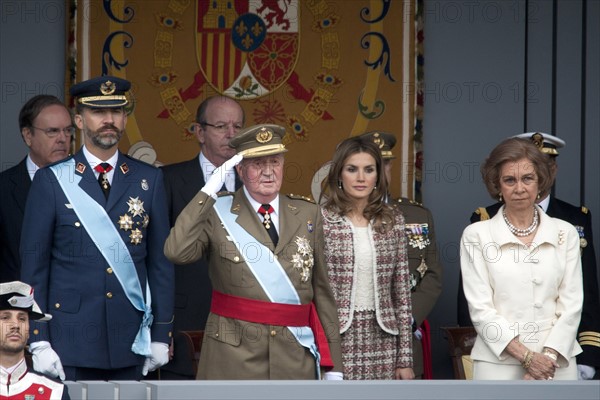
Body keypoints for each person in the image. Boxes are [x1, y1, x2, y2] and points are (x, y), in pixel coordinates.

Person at [19, 76, 174, 381]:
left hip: (131, 338)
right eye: (98, 113)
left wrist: (161, 333)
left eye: (116, 113)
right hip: (69, 339)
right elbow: (34, 266)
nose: (109, 120)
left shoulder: (149, 179)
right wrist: (38, 338)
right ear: (79, 119)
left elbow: (160, 263)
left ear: (125, 118)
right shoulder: (51, 181)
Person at [164, 124, 344, 379]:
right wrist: (207, 192)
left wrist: (333, 366)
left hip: (294, 357)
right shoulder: (217, 212)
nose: (269, 172)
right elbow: (176, 251)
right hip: (233, 358)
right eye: (258, 164)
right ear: (240, 169)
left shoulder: (307, 214)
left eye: (275, 162)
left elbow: (323, 294)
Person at [458, 132, 600, 380]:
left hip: (558, 364)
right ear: (497, 185)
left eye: (527, 178)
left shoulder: (565, 232)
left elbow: (571, 304)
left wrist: (547, 359)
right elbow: (481, 310)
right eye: (509, 180)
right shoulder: (476, 235)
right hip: (498, 364)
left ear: (540, 182)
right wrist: (527, 358)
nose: (520, 188)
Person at [160, 95, 244, 379]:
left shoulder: (256, 182)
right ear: (199, 131)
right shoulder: (168, 180)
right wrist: (160, 328)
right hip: (184, 322)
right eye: (221, 126)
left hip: (245, 327)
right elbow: (156, 259)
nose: (231, 134)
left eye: (238, 126)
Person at [319, 135, 414, 380]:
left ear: (378, 175)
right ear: (339, 174)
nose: (361, 178)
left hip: (384, 339)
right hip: (336, 338)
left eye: (368, 170)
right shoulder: (321, 220)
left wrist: (405, 358)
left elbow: (401, 293)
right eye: (352, 169)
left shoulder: (393, 220)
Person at [361, 131, 442, 379]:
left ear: (390, 166)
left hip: (403, 343)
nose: (377, 171)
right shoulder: (333, 218)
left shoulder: (417, 216)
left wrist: (406, 321)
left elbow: (432, 276)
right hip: (355, 340)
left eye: (382, 164)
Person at [0, 95, 73, 283]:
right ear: (28, 135)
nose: (63, 139)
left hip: (79, 307)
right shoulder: (4, 188)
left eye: (67, 130)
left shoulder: (89, 184)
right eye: (52, 131)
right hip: (20, 306)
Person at [0, 281, 69, 399]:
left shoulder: (54, 392)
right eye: (5, 317)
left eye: (22, 319)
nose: (15, 325)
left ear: (28, 329)